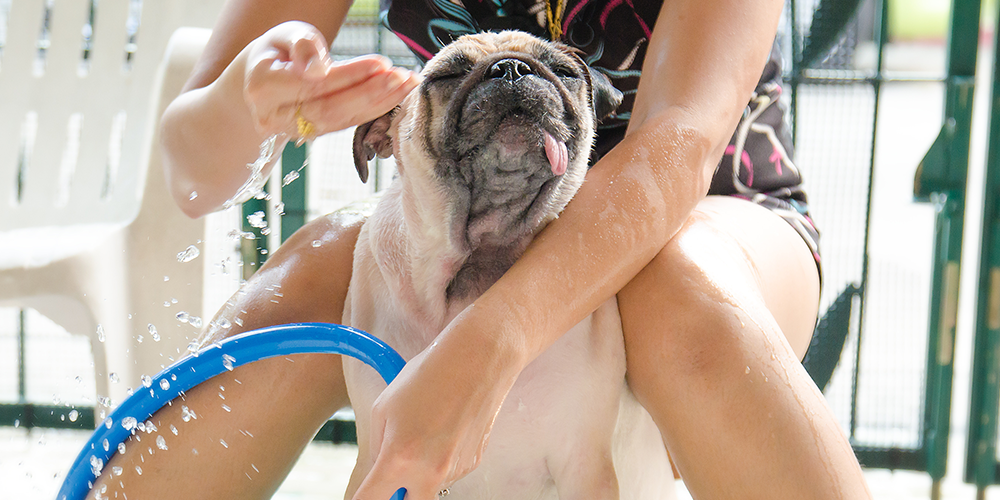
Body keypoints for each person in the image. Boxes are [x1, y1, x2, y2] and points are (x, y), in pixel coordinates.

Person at [90, 0, 873, 499]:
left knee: (679, 288)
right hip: (461, 212)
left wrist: (489, 340)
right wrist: (244, 102)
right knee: (312, 270)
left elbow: (678, 144)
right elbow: (193, 176)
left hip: (715, 212)